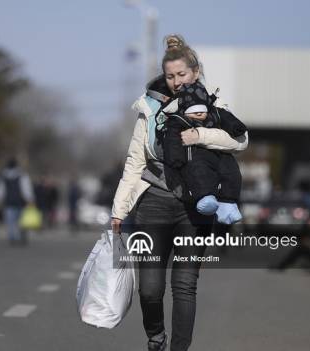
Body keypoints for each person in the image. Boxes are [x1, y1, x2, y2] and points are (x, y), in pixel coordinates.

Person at [111, 34, 248, 351]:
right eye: (170, 76)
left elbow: (241, 141)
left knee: (185, 285)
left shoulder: (213, 103)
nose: (176, 81)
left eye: (182, 75)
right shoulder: (148, 108)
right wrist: (119, 210)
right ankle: (156, 337)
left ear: (195, 72)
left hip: (196, 208)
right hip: (152, 206)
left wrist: (199, 135)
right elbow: (135, 161)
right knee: (150, 289)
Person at [154, 79, 246, 224]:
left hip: (221, 154)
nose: (198, 114)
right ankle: (205, 198)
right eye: (193, 111)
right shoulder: (178, 120)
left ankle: (229, 204)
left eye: (201, 111)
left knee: (232, 173)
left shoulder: (215, 112)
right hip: (196, 156)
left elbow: (229, 120)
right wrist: (176, 158)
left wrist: (237, 127)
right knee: (199, 173)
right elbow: (172, 140)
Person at [0, 158, 35, 246]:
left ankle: (12, 238)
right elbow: (26, 189)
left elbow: (1, 190)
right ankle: (21, 236)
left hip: (9, 203)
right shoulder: (22, 175)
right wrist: (30, 199)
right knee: (21, 221)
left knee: (10, 222)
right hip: (20, 202)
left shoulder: (4, 176)